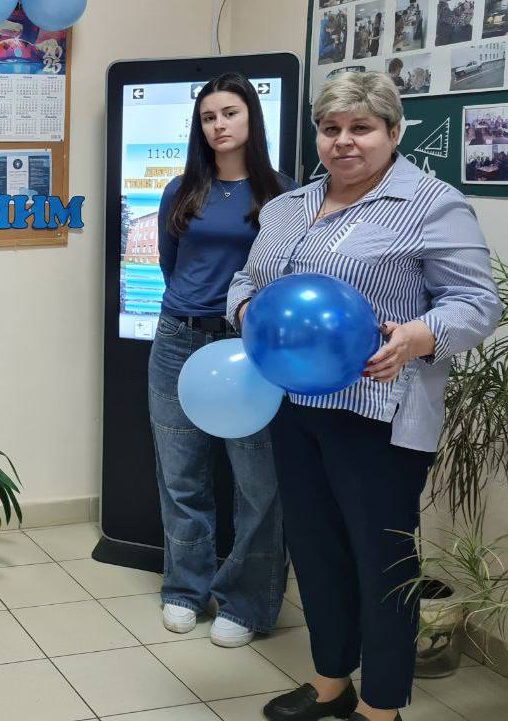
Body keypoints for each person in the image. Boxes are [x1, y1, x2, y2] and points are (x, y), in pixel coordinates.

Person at [228, 72, 501, 721]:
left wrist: (417, 335)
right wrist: (245, 313)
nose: (343, 141)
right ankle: (331, 684)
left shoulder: (432, 204)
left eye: (361, 128)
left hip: (378, 414)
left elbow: (477, 303)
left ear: (393, 131)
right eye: (331, 129)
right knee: (315, 552)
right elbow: (247, 280)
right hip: (295, 407)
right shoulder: (287, 207)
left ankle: (381, 706)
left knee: (382, 563)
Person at [149, 73, 295, 648]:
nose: (219, 125)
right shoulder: (182, 190)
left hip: (248, 350)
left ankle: (248, 603)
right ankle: (185, 589)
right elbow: (171, 264)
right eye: (209, 117)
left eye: (230, 113)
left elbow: (286, 273)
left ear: (251, 118)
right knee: (181, 476)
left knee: (258, 483)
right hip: (177, 341)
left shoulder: (283, 195)